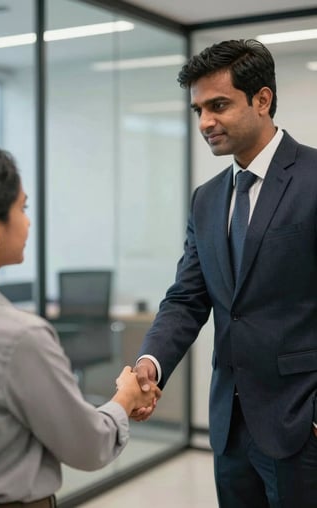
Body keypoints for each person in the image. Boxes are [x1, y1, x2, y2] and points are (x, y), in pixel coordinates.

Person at [133, 39, 317, 508]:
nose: (204, 123)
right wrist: (150, 364)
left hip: (302, 427)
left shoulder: (314, 178)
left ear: (262, 99)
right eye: (198, 110)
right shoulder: (207, 198)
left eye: (218, 106)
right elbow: (187, 297)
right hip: (229, 425)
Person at [0, 146, 160, 508]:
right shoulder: (18, 337)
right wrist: (125, 397)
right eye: (22, 209)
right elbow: (90, 446)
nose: (28, 222)